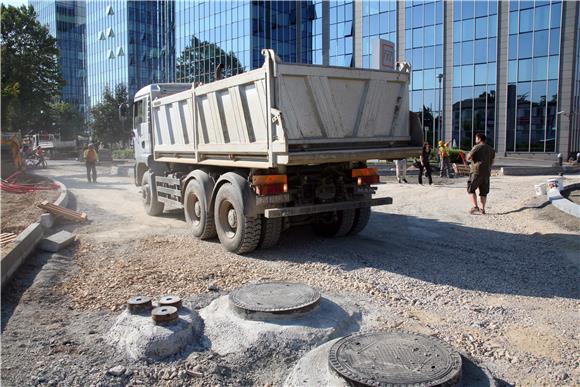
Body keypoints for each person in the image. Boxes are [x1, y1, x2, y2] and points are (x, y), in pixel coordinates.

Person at [466, 133, 495, 215]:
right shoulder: (491, 149)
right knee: (483, 192)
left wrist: (469, 155)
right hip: (486, 173)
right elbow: (492, 162)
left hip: (476, 171)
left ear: (479, 138)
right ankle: (483, 209)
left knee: (471, 189)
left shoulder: (477, 147)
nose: (475, 140)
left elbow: (468, 157)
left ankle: (475, 206)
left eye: (476, 138)